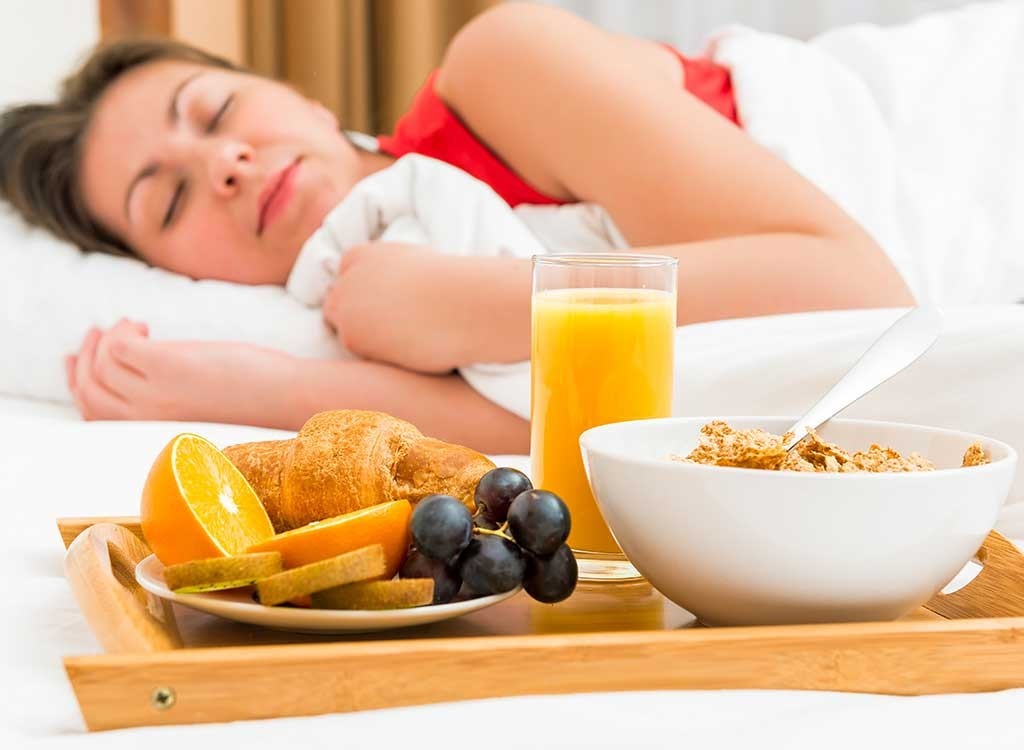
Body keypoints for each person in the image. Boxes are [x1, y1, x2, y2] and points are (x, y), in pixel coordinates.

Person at [0, 3, 912, 454]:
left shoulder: (500, 65)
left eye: (217, 110)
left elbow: (862, 296)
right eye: (169, 202)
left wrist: (478, 302)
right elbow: (550, 430)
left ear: (306, 99)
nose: (225, 165)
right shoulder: (357, 295)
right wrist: (260, 385)